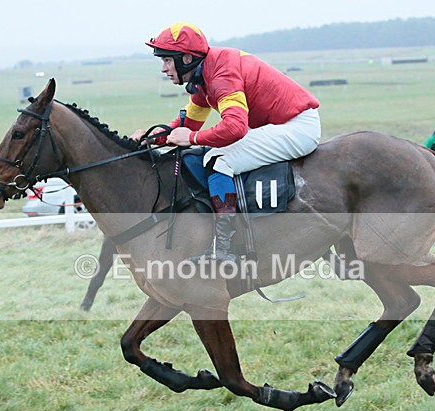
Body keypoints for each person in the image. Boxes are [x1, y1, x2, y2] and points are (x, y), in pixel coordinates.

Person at [131, 22, 321, 263]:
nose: (164, 68)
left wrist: (191, 138)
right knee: (208, 153)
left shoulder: (221, 75)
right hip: (281, 125)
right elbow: (190, 123)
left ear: (186, 58)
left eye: (167, 60)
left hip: (297, 128)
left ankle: (225, 248)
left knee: (217, 158)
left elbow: (235, 128)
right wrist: (153, 137)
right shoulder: (204, 74)